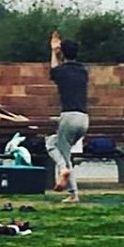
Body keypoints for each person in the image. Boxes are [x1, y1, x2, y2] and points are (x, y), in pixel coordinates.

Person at [46, 31, 89, 204]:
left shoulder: (61, 71)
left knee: (51, 145)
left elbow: (54, 70)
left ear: (63, 53)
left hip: (69, 116)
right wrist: (59, 52)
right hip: (84, 119)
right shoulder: (83, 71)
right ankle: (74, 195)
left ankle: (64, 172)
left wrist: (53, 52)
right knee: (65, 152)